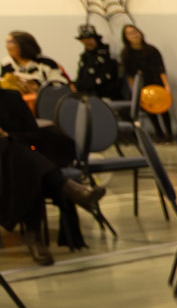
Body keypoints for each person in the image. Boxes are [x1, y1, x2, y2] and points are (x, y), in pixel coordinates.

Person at [0, 87, 102, 265]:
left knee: (26, 167)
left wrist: (9, 136)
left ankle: (35, 238)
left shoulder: (11, 98)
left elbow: (33, 134)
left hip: (22, 158)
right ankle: (70, 189)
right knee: (26, 163)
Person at [121, 24, 174, 140]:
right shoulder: (126, 54)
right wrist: (135, 91)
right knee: (150, 110)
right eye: (130, 33)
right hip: (142, 85)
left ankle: (170, 135)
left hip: (156, 81)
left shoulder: (151, 50)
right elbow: (129, 75)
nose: (134, 35)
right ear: (126, 37)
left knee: (163, 109)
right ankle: (159, 134)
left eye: (135, 32)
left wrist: (166, 85)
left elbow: (161, 69)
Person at [73, 25, 125, 101]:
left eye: (90, 39)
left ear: (96, 39)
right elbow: (81, 77)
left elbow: (101, 81)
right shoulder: (84, 57)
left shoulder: (106, 57)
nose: (87, 42)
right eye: (84, 39)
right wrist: (74, 85)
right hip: (86, 95)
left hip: (103, 97)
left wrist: (79, 87)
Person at [2, 32, 68, 92]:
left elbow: (60, 87)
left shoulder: (46, 63)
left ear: (22, 45)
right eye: (7, 42)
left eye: (10, 42)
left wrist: (36, 87)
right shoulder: (7, 63)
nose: (6, 45)